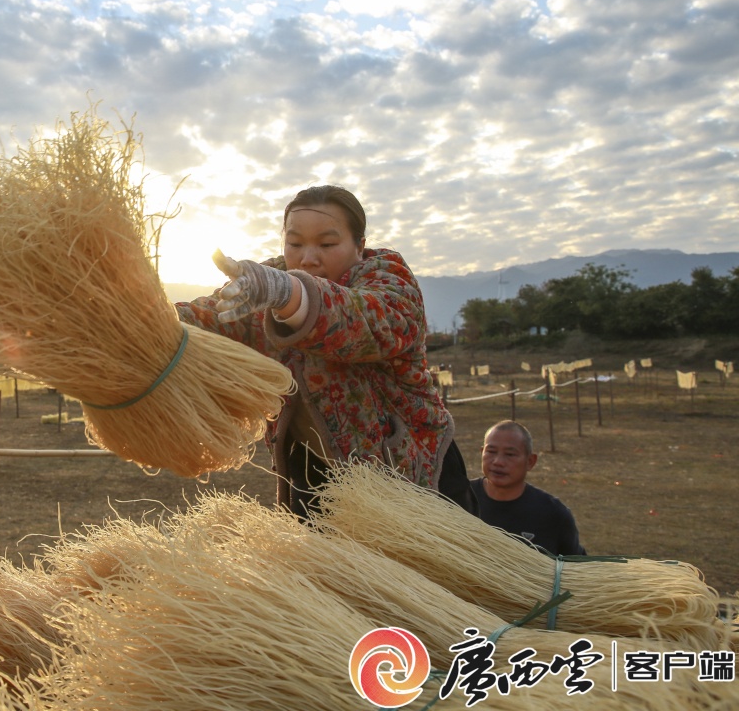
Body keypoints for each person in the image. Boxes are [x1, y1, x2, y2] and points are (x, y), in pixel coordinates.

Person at [175, 184, 476, 519]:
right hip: (314, 479)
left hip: (411, 475)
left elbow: (361, 322)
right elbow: (210, 317)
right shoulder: (265, 284)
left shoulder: (390, 280)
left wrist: (286, 293)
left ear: (359, 246)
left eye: (327, 244)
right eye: (295, 243)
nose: (308, 258)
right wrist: (144, 317)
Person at [471, 420, 586, 556]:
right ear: (482, 452)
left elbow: (575, 564)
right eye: (491, 451)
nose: (498, 462)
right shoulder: (459, 499)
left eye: (510, 454)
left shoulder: (553, 514)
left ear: (530, 461)